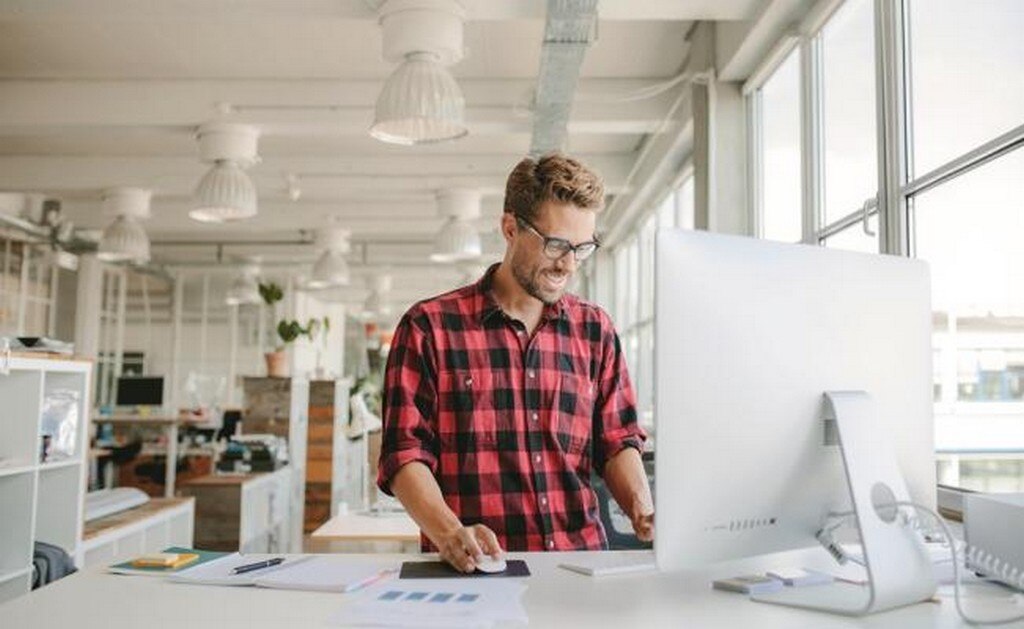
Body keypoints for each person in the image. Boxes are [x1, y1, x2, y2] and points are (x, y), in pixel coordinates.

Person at [377, 153, 654, 572]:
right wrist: (450, 532)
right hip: (476, 572)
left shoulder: (595, 330)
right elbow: (404, 454)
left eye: (582, 248)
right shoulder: (428, 328)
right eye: (557, 244)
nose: (568, 263)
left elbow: (617, 439)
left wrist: (643, 509)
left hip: (580, 569)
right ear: (510, 229)